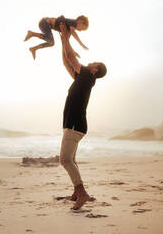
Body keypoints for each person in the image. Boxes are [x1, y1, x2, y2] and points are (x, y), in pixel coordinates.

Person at [58, 22, 107, 210]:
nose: (90, 62)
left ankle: (82, 193)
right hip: (75, 125)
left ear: (95, 70)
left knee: (65, 160)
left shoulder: (88, 76)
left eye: (93, 62)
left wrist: (66, 37)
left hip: (74, 125)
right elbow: (66, 61)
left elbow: (71, 57)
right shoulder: (83, 78)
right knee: (72, 160)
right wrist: (64, 40)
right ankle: (76, 192)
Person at [24, 15, 89, 60]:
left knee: (51, 43)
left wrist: (73, 51)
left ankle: (34, 48)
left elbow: (67, 42)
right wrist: (81, 44)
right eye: (82, 28)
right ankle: (32, 33)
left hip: (44, 24)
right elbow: (74, 33)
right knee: (50, 39)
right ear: (80, 21)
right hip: (45, 22)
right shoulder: (73, 22)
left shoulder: (68, 28)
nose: (80, 31)